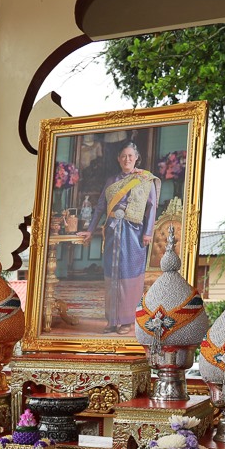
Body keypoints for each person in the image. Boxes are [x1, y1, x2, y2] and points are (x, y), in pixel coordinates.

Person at [78, 140, 160, 334]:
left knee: (128, 277)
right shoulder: (111, 181)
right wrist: (90, 230)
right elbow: (100, 207)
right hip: (114, 231)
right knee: (112, 277)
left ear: (136, 158)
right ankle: (112, 321)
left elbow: (152, 206)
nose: (127, 159)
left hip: (134, 233)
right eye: (123, 156)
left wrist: (148, 232)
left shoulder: (144, 179)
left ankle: (127, 321)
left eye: (130, 156)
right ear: (118, 159)